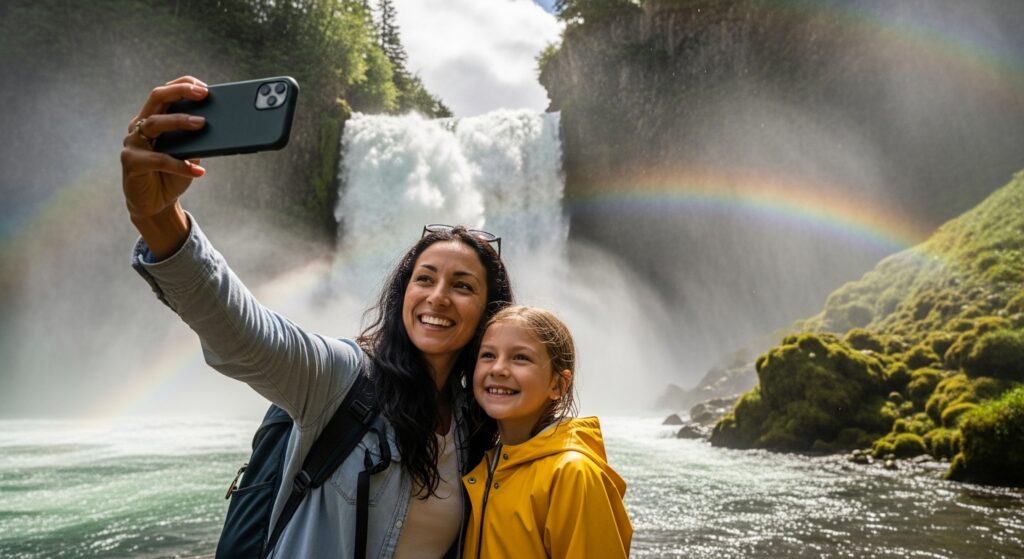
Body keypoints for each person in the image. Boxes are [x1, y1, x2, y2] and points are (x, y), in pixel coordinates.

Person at [120, 76, 513, 558]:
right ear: (402, 293)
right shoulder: (341, 378)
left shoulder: (478, 421)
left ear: (488, 312)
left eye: (463, 285)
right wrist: (159, 218)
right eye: (425, 278)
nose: (438, 297)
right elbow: (243, 331)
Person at [462, 306, 632, 559]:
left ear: (558, 384)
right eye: (488, 355)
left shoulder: (573, 474)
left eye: (520, 357)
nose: (498, 368)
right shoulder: (487, 465)